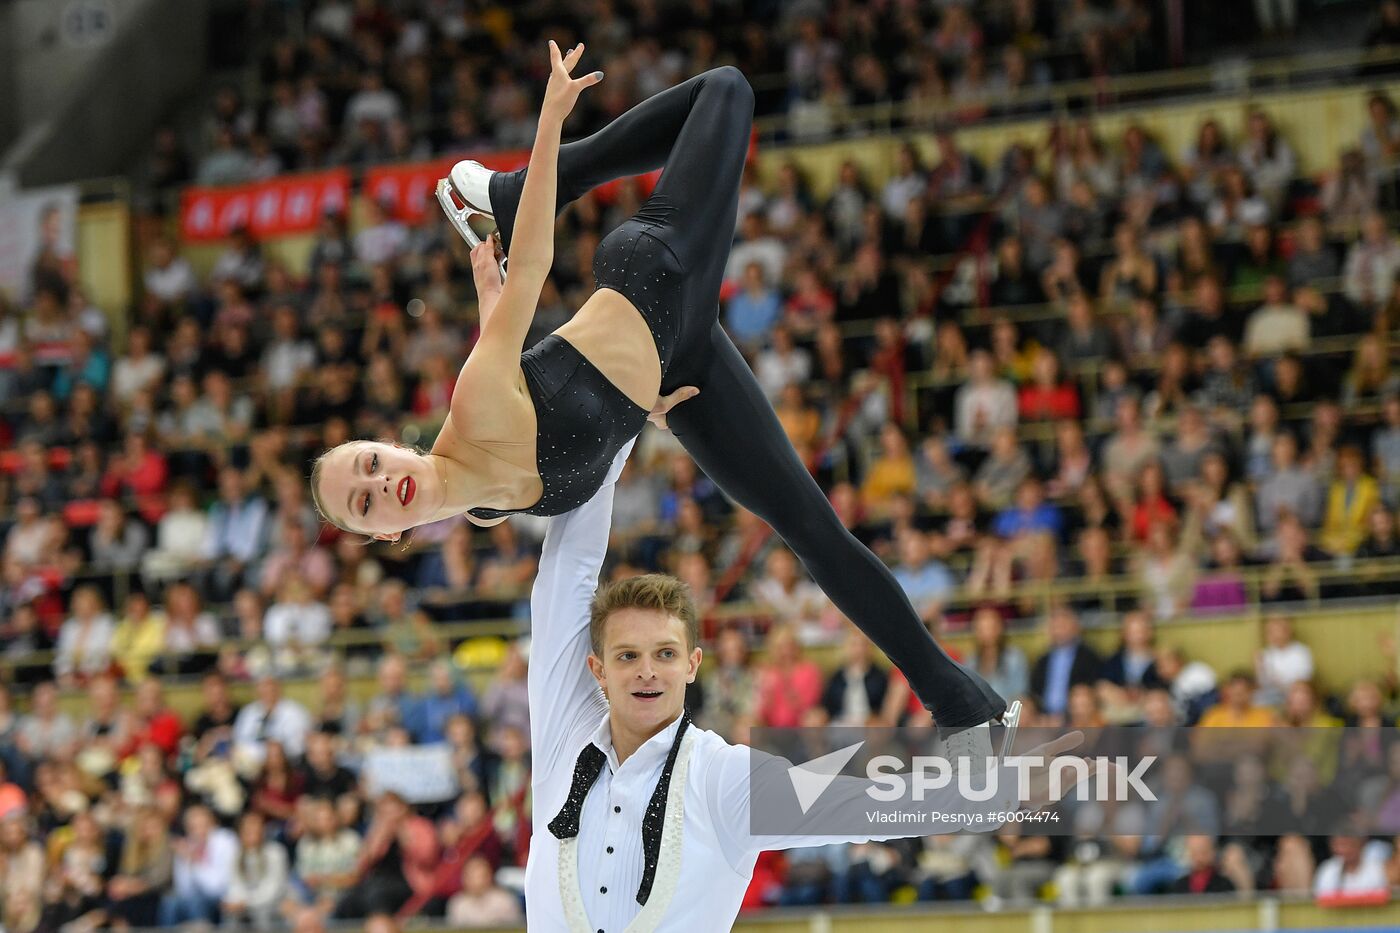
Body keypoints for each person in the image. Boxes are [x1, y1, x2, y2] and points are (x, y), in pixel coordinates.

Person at [310, 54, 1007, 735]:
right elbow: (521, 349)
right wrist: (630, 398)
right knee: (810, 529)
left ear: (390, 445)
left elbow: (532, 267)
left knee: (728, 91)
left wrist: (551, 122)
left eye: (369, 462)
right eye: (362, 501)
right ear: (385, 535)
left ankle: (522, 189)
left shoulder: (472, 407)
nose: (380, 483)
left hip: (655, 280)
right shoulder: (488, 510)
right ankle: (965, 711)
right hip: (679, 374)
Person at [519, 442, 1083, 931]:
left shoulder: (722, 779)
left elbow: (872, 805)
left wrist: (1000, 793)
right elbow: (564, 576)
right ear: (598, 670)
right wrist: (614, 428)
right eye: (628, 656)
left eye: (664, 654)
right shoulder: (562, 733)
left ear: (692, 664)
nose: (647, 671)